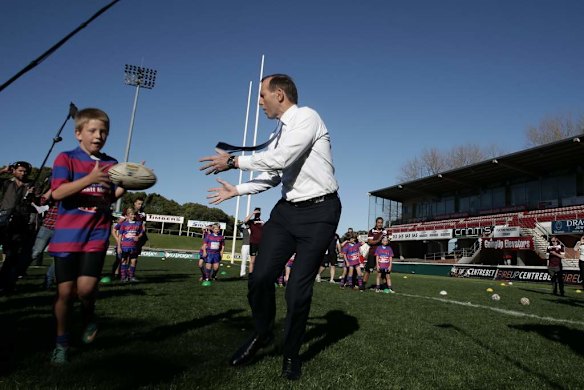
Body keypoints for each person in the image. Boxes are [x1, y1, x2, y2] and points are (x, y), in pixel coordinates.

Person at [199, 74, 341, 380]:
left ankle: (291, 354)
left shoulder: (307, 117)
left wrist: (235, 162)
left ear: (279, 94)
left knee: (296, 291)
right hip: (287, 211)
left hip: (321, 213)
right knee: (260, 276)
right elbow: (274, 174)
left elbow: (281, 158)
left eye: (262, 95)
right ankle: (262, 333)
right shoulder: (279, 132)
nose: (259, 102)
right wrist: (237, 190)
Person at [48, 108, 125, 365]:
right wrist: (89, 178)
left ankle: (89, 315)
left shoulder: (111, 164)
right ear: (78, 133)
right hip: (67, 235)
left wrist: (129, 183)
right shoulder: (65, 158)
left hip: (96, 233)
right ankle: (61, 343)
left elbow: (108, 197)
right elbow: (58, 194)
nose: (98, 135)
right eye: (92, 130)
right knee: (65, 293)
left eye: (103, 131)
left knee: (86, 289)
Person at [0, 161, 36, 294]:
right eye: (20, 170)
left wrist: (33, 195)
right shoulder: (7, 182)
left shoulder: (31, 184)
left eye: (25, 171)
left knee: (12, 255)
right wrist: (3, 171)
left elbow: (38, 201)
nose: (23, 173)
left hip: (20, 222)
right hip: (3, 219)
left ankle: (5, 284)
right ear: (14, 170)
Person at [114, 207, 144, 282]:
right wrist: (119, 247)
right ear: (127, 215)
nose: (133, 216)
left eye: (134, 214)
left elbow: (142, 232)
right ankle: (123, 277)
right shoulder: (124, 224)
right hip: (125, 246)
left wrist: (138, 236)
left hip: (134, 246)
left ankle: (131, 277)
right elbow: (120, 235)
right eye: (131, 214)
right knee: (123, 261)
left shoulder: (138, 223)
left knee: (133, 261)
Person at [364, 217, 386, 288]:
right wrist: (379, 239)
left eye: (381, 223)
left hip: (382, 254)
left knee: (383, 271)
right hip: (372, 253)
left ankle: (386, 286)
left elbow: (386, 241)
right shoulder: (371, 231)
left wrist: (387, 240)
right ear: (376, 223)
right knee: (368, 270)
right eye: (378, 222)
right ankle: (363, 285)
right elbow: (370, 242)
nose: (380, 224)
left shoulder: (385, 231)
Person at [243, 208, 264, 273]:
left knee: (261, 260)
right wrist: (252, 213)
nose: (257, 214)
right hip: (253, 243)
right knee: (252, 261)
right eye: (256, 212)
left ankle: (259, 274)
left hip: (261, 243)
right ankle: (251, 275)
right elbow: (245, 220)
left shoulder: (262, 222)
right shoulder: (251, 221)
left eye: (259, 213)